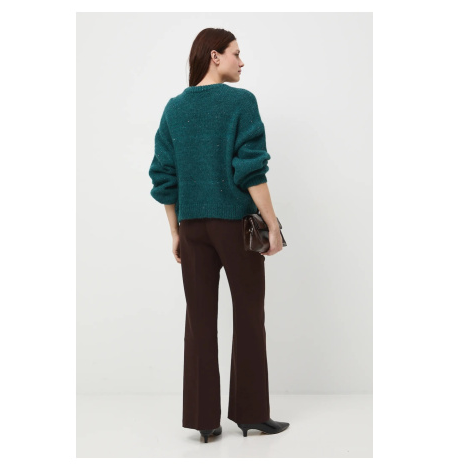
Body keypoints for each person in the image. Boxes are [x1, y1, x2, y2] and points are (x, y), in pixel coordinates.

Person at [148, 28, 289, 443]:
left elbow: (164, 175)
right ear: (215, 56)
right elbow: (251, 169)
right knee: (249, 315)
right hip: (234, 225)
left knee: (199, 320)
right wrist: (273, 223)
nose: (241, 62)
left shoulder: (174, 108)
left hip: (191, 228)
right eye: (236, 53)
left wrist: (175, 231)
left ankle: (203, 420)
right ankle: (251, 414)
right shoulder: (240, 102)